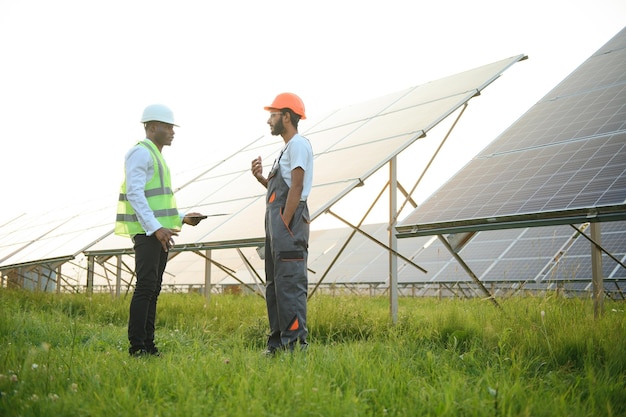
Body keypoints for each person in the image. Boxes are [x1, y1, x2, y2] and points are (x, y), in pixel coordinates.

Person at [115, 104, 205, 357]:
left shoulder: (157, 157)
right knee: (145, 287)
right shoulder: (141, 153)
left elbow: (157, 203)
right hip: (148, 233)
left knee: (153, 288)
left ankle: (148, 345)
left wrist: (182, 217)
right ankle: (138, 347)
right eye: (167, 127)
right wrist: (155, 228)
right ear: (152, 127)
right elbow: (135, 194)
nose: (172, 132)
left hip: (157, 231)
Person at [251, 93, 313, 355]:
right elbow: (282, 189)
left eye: (273, 115)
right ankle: (277, 343)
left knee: (289, 285)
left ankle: (295, 345)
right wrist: (261, 179)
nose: (269, 120)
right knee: (275, 286)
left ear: (286, 116)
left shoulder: (299, 144)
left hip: (288, 225)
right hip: (277, 225)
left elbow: (296, 188)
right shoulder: (285, 150)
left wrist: (285, 225)